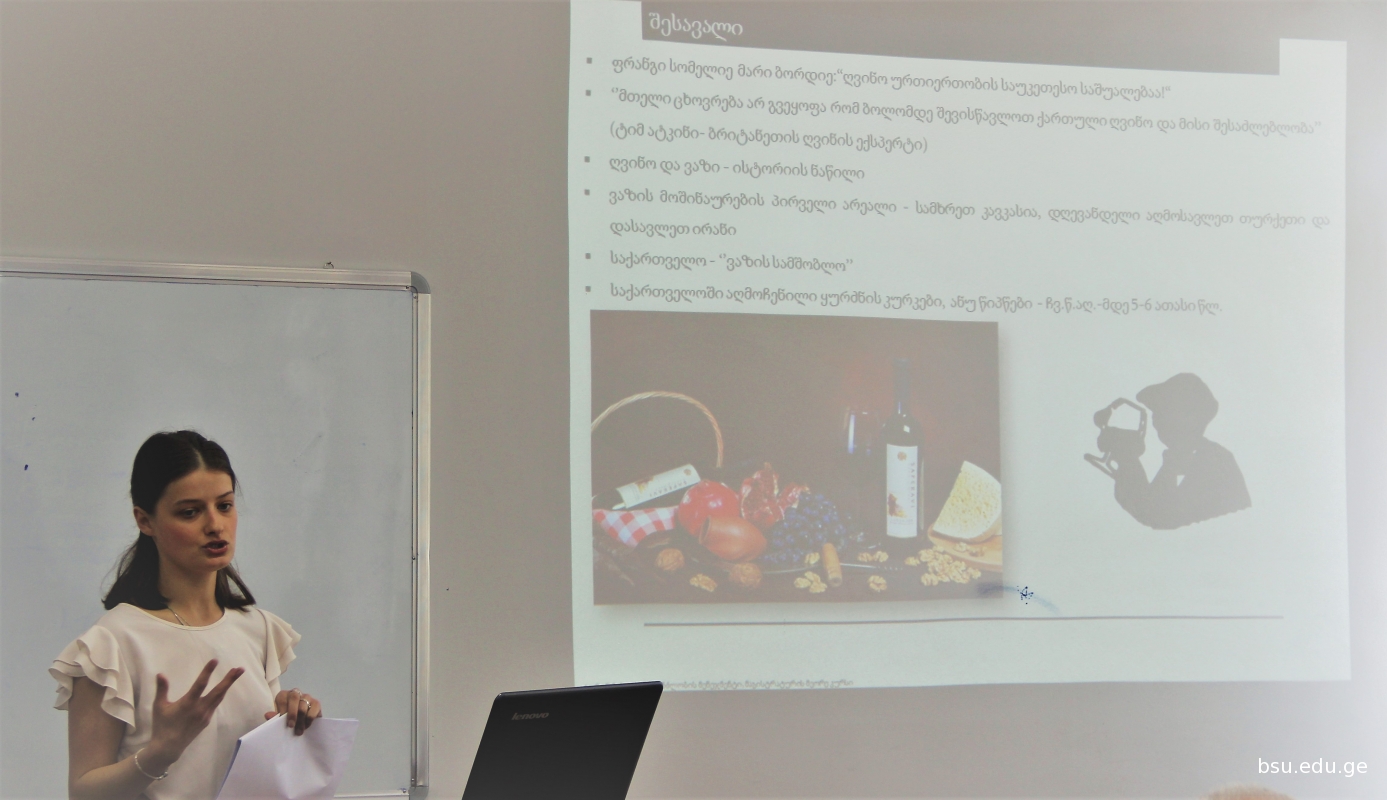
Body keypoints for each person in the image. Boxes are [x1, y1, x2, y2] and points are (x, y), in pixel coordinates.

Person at [50, 431, 323, 800]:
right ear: (145, 520)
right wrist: (160, 752)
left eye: (224, 505)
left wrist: (292, 722)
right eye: (190, 512)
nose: (215, 525)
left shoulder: (257, 628)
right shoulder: (112, 643)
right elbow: (83, 792)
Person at [1106, 373, 1251, 529]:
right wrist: (1127, 460)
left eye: (1165, 411)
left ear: (1191, 417)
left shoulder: (1215, 460)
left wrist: (1127, 460)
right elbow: (1150, 506)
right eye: (1157, 413)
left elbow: (1160, 516)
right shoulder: (1179, 458)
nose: (1156, 421)